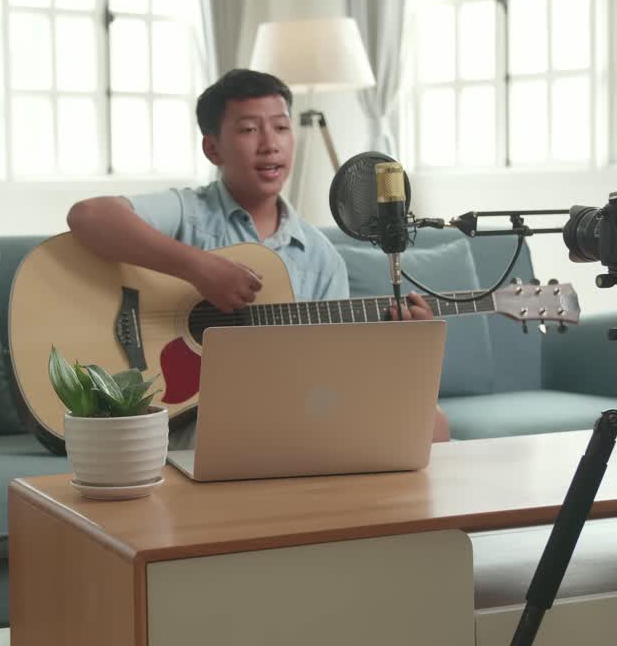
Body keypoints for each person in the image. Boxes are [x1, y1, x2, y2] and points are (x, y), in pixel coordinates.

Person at [66, 68, 452, 445]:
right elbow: (88, 215)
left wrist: (397, 345)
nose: (270, 144)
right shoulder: (188, 212)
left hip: (280, 410)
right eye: (249, 129)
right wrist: (198, 267)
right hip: (187, 417)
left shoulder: (320, 258)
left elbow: (326, 371)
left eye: (282, 128)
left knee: (430, 423)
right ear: (212, 148)